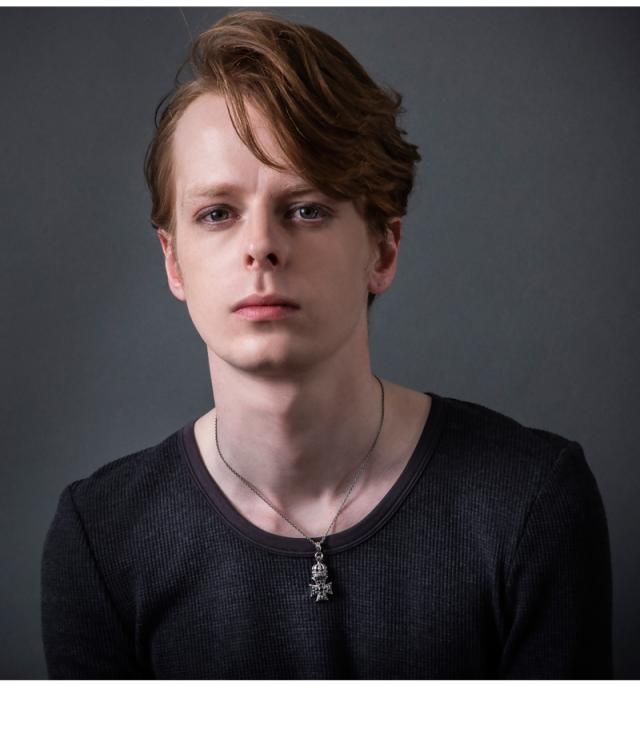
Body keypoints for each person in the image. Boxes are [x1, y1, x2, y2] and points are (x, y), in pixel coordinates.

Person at [40, 9, 613, 679]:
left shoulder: (531, 501)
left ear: (383, 249)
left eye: (306, 208)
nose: (261, 246)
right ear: (174, 262)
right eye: (217, 213)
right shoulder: (102, 536)